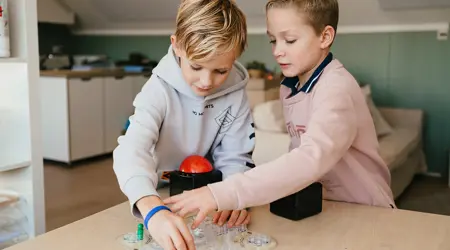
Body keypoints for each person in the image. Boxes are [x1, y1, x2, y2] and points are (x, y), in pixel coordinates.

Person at [164, 0, 396, 229]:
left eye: (290, 40)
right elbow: (295, 154)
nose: (277, 51)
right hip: (322, 208)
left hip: (366, 211)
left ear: (325, 37)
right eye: (273, 40)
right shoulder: (289, 87)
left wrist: (223, 193)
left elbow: (310, 158)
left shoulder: (336, 88)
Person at [112, 0, 255, 249]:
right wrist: (151, 208)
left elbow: (235, 157)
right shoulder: (157, 90)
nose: (206, 81)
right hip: (159, 191)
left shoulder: (236, 94)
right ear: (176, 46)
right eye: (196, 66)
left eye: (220, 71)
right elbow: (131, 150)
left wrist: (234, 195)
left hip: (209, 194)